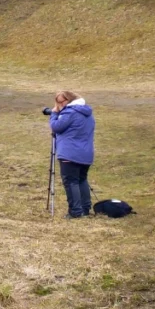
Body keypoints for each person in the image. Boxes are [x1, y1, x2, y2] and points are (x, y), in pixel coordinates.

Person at [49, 90, 95, 218]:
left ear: (68, 100)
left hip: (70, 153)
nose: (58, 105)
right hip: (86, 153)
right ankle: (85, 209)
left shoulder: (69, 112)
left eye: (60, 102)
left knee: (71, 182)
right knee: (82, 180)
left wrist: (53, 114)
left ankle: (75, 211)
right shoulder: (87, 113)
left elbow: (56, 127)